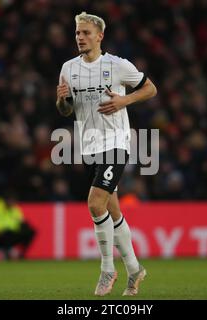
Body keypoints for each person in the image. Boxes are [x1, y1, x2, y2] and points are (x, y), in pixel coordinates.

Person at [56, 12, 157, 296]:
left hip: (115, 142)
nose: (80, 37)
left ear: (100, 36)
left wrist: (125, 99)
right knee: (113, 212)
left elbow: (150, 89)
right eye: (78, 33)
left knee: (94, 203)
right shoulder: (68, 69)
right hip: (89, 146)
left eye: (86, 33)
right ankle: (136, 269)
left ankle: (107, 269)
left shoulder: (117, 65)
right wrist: (62, 100)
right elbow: (65, 110)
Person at [0, 191, 36, 260]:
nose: (13, 203)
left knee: (29, 231)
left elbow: (21, 220)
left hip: (10, 235)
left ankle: (20, 254)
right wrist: (4, 230)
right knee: (7, 233)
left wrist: (25, 226)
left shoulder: (14, 208)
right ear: (5, 200)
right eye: (11, 201)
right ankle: (5, 252)